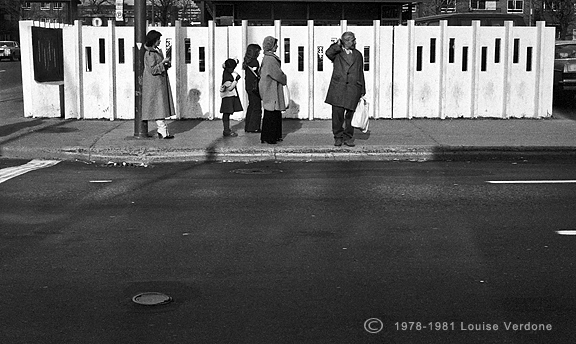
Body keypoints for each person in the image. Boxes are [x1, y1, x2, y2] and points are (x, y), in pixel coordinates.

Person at [325, 31, 366, 147]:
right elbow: (328, 53)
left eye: (354, 39)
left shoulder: (358, 55)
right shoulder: (337, 53)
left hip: (353, 88)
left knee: (350, 115)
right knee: (337, 114)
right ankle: (338, 137)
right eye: (352, 40)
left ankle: (348, 137)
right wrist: (338, 44)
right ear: (345, 41)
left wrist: (362, 89)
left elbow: (360, 72)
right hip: (338, 87)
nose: (354, 42)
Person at [142, 30, 175, 139]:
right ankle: (162, 130)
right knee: (159, 107)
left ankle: (163, 130)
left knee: (160, 106)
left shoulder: (155, 51)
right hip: (155, 84)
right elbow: (153, 70)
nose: (159, 41)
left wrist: (165, 64)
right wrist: (163, 63)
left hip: (158, 83)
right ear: (153, 40)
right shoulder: (150, 53)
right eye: (158, 39)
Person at [259, 36, 287, 145]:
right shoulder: (271, 59)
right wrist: (284, 78)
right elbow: (277, 74)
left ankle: (268, 136)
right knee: (273, 113)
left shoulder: (267, 58)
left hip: (268, 87)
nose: (277, 46)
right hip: (272, 89)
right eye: (276, 44)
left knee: (270, 113)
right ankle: (271, 137)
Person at [219, 58, 243, 137]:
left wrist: (236, 61)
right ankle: (226, 130)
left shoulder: (225, 70)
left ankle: (226, 129)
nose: (233, 70)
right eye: (232, 69)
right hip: (228, 96)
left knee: (226, 113)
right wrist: (236, 80)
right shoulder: (227, 77)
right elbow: (230, 88)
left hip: (226, 96)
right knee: (226, 113)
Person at [243, 43, 263, 133]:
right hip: (254, 88)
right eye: (258, 51)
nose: (259, 53)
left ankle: (248, 126)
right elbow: (257, 75)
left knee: (251, 106)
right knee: (256, 107)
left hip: (248, 86)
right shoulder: (254, 62)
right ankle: (254, 127)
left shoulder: (247, 62)